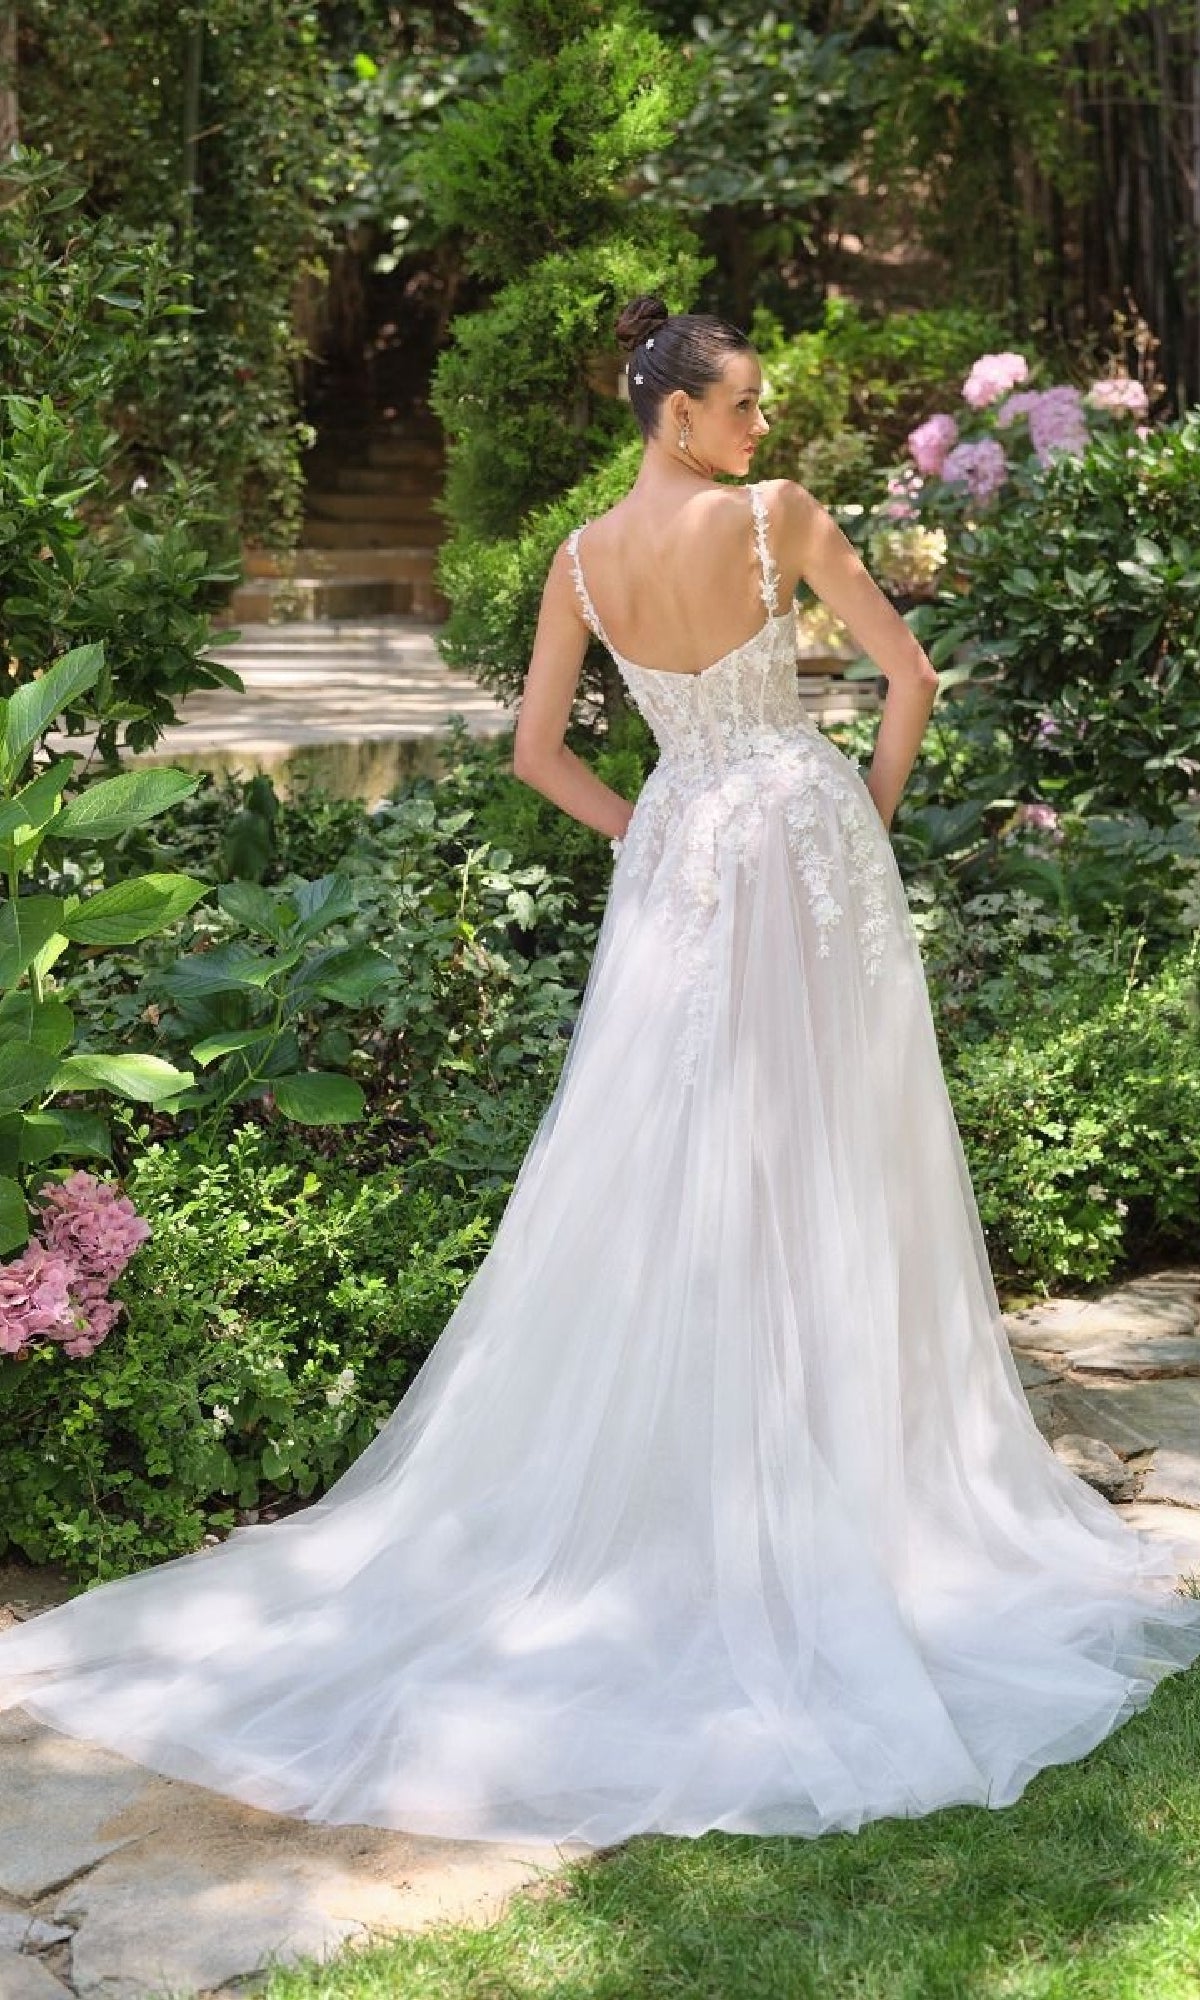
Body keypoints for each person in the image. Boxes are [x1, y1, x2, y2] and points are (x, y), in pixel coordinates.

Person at [1, 294, 1198, 1852]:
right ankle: (854, 1477)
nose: (764, 426)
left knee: (678, 1160)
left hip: (687, 867)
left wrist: (655, 830)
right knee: (839, 1154)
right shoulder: (777, 518)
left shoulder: (579, 558)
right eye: (747, 403)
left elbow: (537, 755)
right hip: (806, 848)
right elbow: (909, 683)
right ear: (680, 415)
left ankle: (718, 1477)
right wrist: (864, 824)